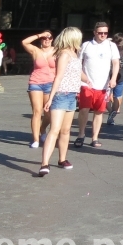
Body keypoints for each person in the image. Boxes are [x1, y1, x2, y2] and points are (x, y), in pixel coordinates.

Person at [37, 27, 83, 176]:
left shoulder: (74, 53)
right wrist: (50, 98)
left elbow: (77, 73)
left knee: (66, 130)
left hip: (72, 95)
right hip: (61, 94)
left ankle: (62, 159)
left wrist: (90, 80)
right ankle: (44, 163)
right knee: (55, 130)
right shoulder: (63, 54)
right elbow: (58, 76)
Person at [74, 22, 120, 150]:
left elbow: (116, 62)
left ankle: (95, 137)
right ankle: (81, 135)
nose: (103, 35)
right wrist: (83, 77)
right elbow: (78, 63)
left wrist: (114, 78)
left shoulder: (111, 46)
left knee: (99, 112)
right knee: (84, 109)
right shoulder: (86, 45)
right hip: (87, 84)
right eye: (100, 33)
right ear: (94, 32)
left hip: (103, 85)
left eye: (105, 33)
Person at [22, 31, 56, 148]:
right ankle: (35, 139)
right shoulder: (36, 51)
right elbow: (24, 42)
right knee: (37, 111)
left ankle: (42, 128)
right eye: (44, 38)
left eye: (49, 38)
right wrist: (39, 34)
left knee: (49, 113)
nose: (47, 40)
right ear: (41, 40)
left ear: (52, 39)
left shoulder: (57, 51)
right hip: (36, 82)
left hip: (51, 83)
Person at [107, 33, 123, 125]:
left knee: (107, 95)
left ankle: (111, 111)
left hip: (109, 74)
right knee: (118, 95)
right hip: (121, 75)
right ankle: (116, 109)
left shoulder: (110, 49)